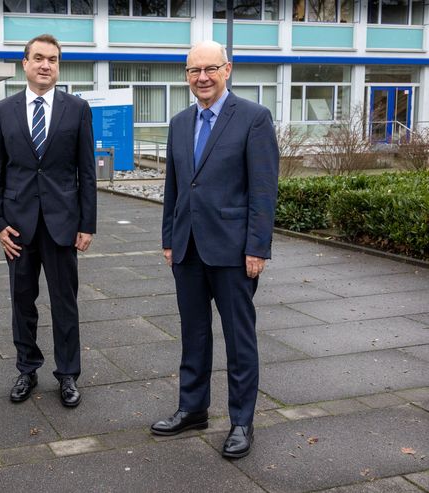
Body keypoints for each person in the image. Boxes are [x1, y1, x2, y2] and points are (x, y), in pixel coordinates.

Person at [151, 41, 279, 459]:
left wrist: (257, 248)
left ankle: (242, 421)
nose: (202, 77)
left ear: (228, 70)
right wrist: (169, 238)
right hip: (187, 248)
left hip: (234, 252)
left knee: (239, 340)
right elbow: (175, 187)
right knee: (193, 333)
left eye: (210, 69)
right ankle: (193, 409)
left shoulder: (254, 119)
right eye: (193, 71)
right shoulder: (179, 122)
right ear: (185, 75)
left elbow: (263, 189)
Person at [0, 34, 96, 408]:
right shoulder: (4, 110)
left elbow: (86, 171)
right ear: (25, 64)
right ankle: (27, 368)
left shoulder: (78, 109)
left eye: (52, 59)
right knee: (22, 301)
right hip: (17, 226)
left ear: (58, 66)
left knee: (65, 302)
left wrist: (87, 224)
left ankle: (68, 374)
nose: (45, 65)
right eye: (38, 58)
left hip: (63, 222)